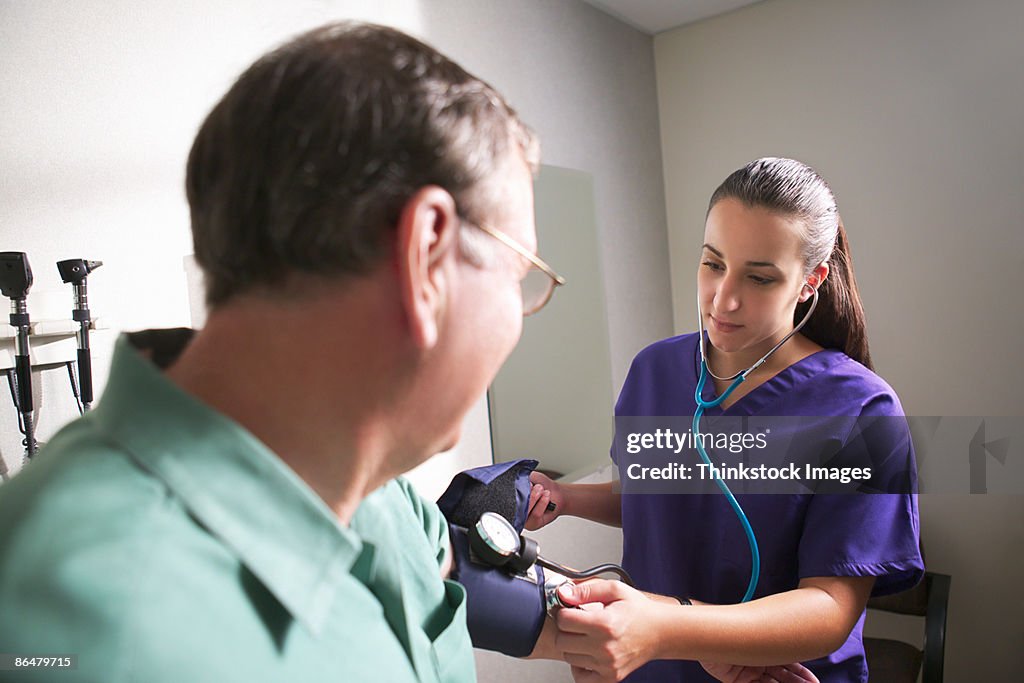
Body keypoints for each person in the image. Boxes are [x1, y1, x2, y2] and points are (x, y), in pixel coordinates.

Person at [0, 22, 554, 682]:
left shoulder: (382, 496)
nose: (520, 317)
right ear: (427, 254)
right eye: (520, 274)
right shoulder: (88, 632)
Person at [526, 157, 924, 683]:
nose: (724, 299)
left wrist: (665, 627)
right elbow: (654, 495)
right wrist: (566, 499)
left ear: (811, 281)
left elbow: (830, 605)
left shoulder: (860, 410)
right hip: (649, 667)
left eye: (760, 277)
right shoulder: (657, 370)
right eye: (713, 264)